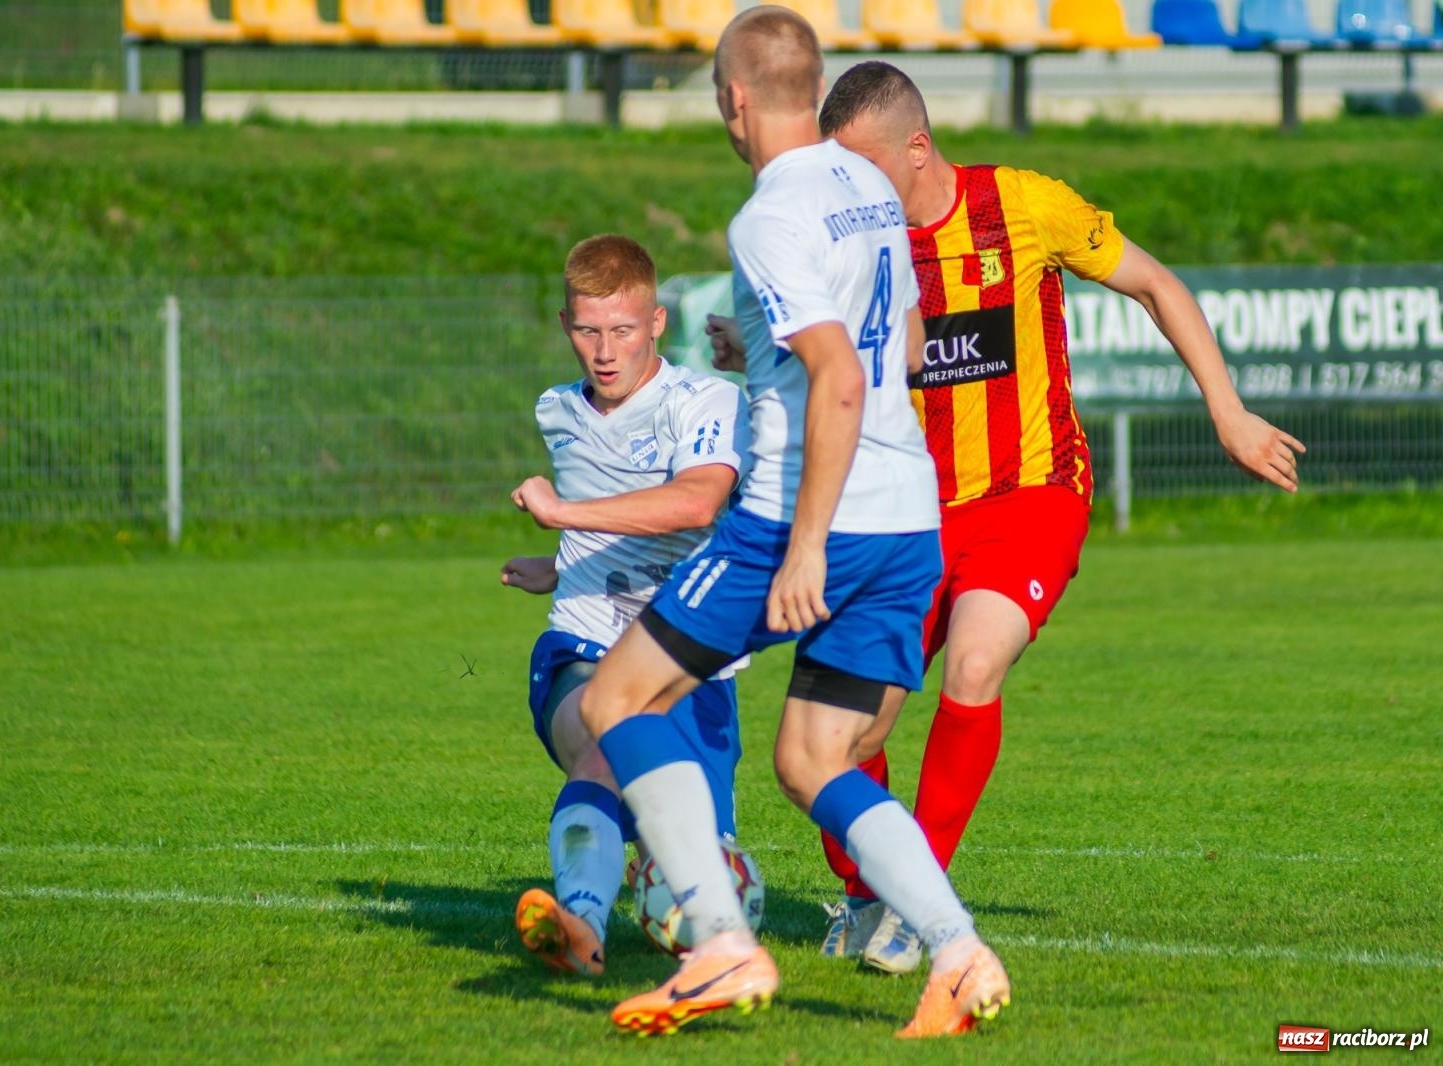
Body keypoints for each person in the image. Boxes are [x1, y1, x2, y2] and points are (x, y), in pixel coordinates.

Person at [784, 59, 1304, 973]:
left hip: (1031, 492)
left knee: (976, 665)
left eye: (863, 168)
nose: (850, 189)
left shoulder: (1022, 206)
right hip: (904, 511)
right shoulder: (850, 240)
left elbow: (1156, 285)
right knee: (848, 738)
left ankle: (917, 900)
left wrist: (1226, 408)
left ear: (918, 145)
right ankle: (871, 891)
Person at [576, 6, 1012, 1040]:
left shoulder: (766, 216)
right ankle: (957, 952)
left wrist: (805, 540)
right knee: (813, 757)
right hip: (910, 521)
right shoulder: (868, 184)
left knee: (617, 695)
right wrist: (763, 350)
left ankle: (720, 937)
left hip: (803, 514)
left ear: (733, 100)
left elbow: (837, 378)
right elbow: (898, 347)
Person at [504, 234, 751, 979]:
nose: (604, 351)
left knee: (705, 863)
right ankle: (578, 922)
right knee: (603, 742)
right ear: (564, 326)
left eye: (621, 330)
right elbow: (605, 507)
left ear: (657, 324)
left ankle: (700, 938)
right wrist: (566, 566)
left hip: (693, 660)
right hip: (582, 644)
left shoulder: (705, 401)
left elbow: (697, 501)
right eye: (587, 330)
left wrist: (564, 524)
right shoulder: (557, 409)